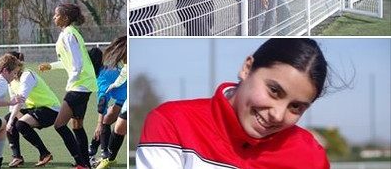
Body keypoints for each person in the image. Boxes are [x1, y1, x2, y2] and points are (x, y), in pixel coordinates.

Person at [136, 38, 331, 169]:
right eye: (274, 91)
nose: (278, 115)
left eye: (296, 107)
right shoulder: (171, 123)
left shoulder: (311, 157)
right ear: (247, 68)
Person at [38, 3, 97, 169]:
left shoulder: (69, 35)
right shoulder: (68, 33)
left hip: (79, 86)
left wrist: (71, 83)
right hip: (84, 85)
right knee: (77, 126)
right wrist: (50, 66)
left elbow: (77, 64)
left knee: (59, 125)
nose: (54, 17)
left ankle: (80, 162)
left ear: (65, 18)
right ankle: (85, 164)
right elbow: (69, 62)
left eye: (56, 15)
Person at [4, 51, 58, 168]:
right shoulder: (11, 79)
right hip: (35, 109)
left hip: (50, 109)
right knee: (8, 119)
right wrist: (11, 120)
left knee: (20, 124)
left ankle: (45, 154)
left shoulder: (27, 75)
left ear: (17, 64)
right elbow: (14, 101)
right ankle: (17, 157)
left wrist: (13, 120)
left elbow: (21, 100)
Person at [87, 37, 127, 167]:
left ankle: (105, 156)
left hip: (128, 98)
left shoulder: (102, 77)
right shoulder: (106, 69)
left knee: (105, 123)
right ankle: (94, 150)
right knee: (107, 119)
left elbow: (103, 102)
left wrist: (98, 124)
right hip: (123, 98)